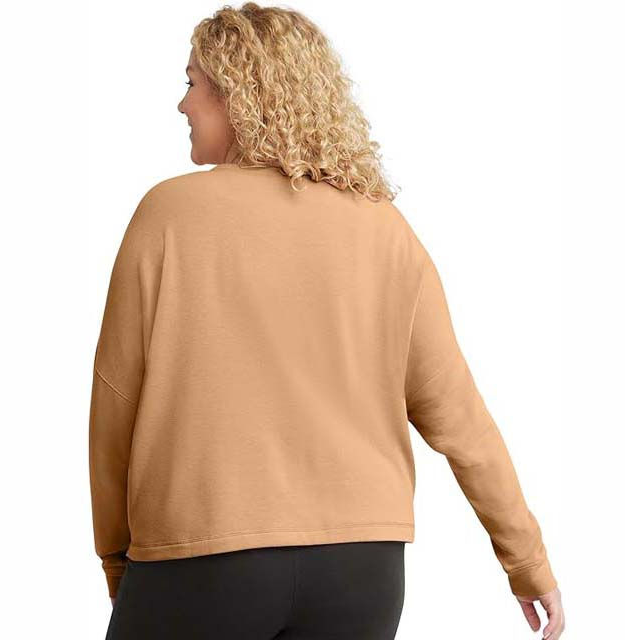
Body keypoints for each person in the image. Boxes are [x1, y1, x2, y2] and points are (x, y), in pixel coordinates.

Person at [88, 3, 565, 639]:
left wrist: (116, 557)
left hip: (203, 558)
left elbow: (115, 401)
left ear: (238, 92)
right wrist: (527, 561)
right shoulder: (384, 229)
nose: (183, 105)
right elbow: (459, 416)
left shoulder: (169, 214)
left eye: (193, 83)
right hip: (361, 569)